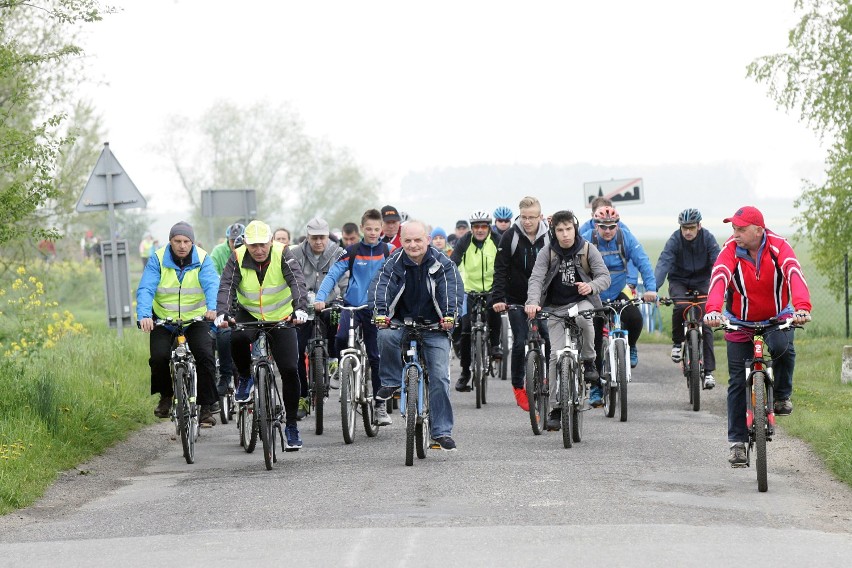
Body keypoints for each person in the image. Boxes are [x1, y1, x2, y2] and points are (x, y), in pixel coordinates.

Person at [703, 206, 811, 466]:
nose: (735, 233)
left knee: (782, 347)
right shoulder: (730, 249)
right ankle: (737, 443)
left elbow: (794, 273)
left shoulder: (778, 246)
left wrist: (802, 308)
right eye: (733, 228)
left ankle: (783, 395)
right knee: (737, 381)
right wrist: (714, 310)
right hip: (740, 320)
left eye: (741, 229)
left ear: (758, 230)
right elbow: (719, 276)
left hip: (777, 315)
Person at [370, 220, 464, 451]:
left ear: (428, 240)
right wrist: (382, 314)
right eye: (408, 240)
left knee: (440, 377)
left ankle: (441, 431)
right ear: (401, 241)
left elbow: (451, 291)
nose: (413, 245)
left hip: (435, 325)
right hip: (402, 322)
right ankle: (391, 382)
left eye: (418, 240)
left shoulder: (444, 264)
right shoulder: (393, 263)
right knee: (384, 336)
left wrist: (449, 317)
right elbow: (383, 288)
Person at [216, 220, 310, 451]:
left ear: (270, 242)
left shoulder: (282, 252)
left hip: (280, 315)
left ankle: (291, 425)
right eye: (253, 246)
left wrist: (300, 308)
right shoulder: (237, 257)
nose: (259, 250)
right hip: (249, 313)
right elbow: (227, 285)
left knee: (289, 368)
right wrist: (222, 312)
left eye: (263, 245)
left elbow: (297, 281)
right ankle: (246, 378)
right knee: (235, 337)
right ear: (246, 244)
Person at [525, 210, 610, 429]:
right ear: (554, 231)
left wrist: (590, 286)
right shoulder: (547, 252)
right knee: (554, 355)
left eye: (568, 229)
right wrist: (533, 302)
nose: (565, 234)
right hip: (555, 308)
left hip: (581, 303)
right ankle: (555, 408)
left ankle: (589, 360)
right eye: (560, 230)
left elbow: (604, 276)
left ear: (575, 228)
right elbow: (536, 278)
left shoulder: (587, 249)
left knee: (585, 320)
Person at [314, 209, 394, 424]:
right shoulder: (351, 251)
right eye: (369, 229)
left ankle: (379, 405)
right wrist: (320, 298)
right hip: (352, 306)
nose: (373, 233)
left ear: (382, 229)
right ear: (362, 228)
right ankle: (342, 369)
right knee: (340, 338)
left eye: (377, 229)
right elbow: (332, 275)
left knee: (376, 356)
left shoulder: (389, 250)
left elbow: (401, 277)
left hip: (376, 309)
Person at [136, 221, 220, 425]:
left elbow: (211, 284)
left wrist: (214, 308)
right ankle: (166, 396)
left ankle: (206, 407)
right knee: (158, 357)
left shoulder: (202, 258)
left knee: (206, 356)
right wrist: (145, 315)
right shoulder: (157, 259)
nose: (182, 246)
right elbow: (146, 288)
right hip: (165, 320)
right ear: (170, 242)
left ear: (192, 242)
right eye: (177, 241)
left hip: (195, 319)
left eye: (186, 241)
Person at [492, 196, 553, 411]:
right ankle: (518, 385)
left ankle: (549, 378)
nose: (527, 222)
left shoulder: (549, 236)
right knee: (519, 341)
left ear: (540, 216)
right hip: (516, 298)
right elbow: (500, 269)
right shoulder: (511, 236)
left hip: (544, 298)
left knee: (547, 338)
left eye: (532, 217)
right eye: (524, 217)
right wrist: (499, 299)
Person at [580, 206, 657, 371]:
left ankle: (632, 346)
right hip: (594, 296)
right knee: (595, 338)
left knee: (635, 319)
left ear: (618, 225)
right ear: (596, 226)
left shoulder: (625, 237)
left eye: (612, 226)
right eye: (603, 226)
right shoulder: (586, 240)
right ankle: (596, 387)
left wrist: (651, 289)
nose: (608, 231)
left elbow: (643, 261)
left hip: (617, 292)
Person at [654, 208, 721, 390]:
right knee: (680, 306)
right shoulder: (675, 240)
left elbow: (718, 263)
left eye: (691, 227)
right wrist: (653, 288)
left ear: (699, 226)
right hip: (679, 281)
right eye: (685, 228)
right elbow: (664, 263)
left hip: (703, 280)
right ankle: (677, 343)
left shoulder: (708, 238)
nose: (688, 232)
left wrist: (723, 286)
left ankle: (708, 373)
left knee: (707, 318)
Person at [290, 217, 345, 419]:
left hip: (330, 303)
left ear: (327, 236)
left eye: (322, 237)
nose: (318, 242)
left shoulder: (338, 253)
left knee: (335, 320)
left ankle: (331, 357)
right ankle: (302, 397)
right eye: (314, 238)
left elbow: (345, 278)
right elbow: (290, 279)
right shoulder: (295, 253)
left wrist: (343, 298)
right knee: (296, 351)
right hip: (304, 307)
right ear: (308, 237)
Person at [451, 210, 503, 392]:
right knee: (465, 330)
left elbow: (505, 264)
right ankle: (465, 372)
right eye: (476, 227)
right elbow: (453, 262)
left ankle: (495, 345)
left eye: (483, 226)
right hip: (468, 289)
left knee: (494, 311)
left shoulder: (497, 240)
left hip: (492, 288)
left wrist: (502, 288)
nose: (480, 230)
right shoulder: (464, 241)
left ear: (489, 228)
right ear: (472, 228)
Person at [209, 222, 246, 397]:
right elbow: (214, 279)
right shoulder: (218, 253)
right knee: (222, 334)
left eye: (237, 241)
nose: (234, 244)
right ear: (227, 240)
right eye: (231, 241)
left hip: (247, 304)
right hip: (226, 301)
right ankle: (225, 375)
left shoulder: (252, 253)